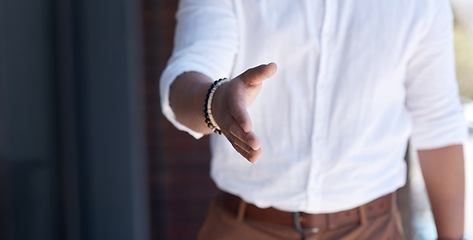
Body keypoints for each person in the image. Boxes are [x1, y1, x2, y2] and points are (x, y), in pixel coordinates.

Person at [160, 0, 467, 239]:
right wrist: (214, 102)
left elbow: (437, 124)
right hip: (244, 227)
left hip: (372, 230)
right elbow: (184, 80)